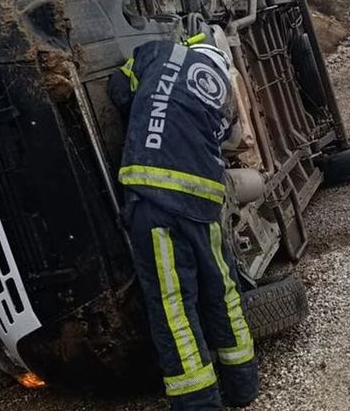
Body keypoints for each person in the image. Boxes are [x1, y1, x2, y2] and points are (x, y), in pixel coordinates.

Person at [108, 40, 258, 411]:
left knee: (174, 306)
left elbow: (118, 88)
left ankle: (198, 402)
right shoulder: (221, 93)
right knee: (222, 293)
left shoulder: (162, 52)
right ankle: (243, 387)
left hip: (156, 199)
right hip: (204, 203)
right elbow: (222, 140)